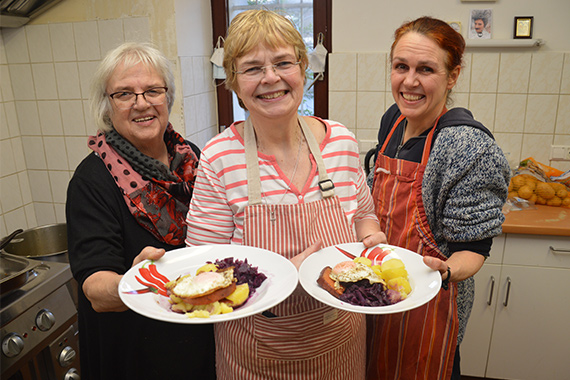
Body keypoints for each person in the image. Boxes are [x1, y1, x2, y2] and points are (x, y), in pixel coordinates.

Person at [185, 9, 385, 379]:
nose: (271, 78)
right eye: (252, 68)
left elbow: (362, 216)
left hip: (339, 339)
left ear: (304, 68)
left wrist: (373, 241)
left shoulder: (340, 140)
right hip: (256, 351)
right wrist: (278, 278)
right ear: (233, 81)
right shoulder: (218, 157)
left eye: (282, 63)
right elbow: (205, 267)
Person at [366, 17, 510, 380]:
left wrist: (446, 270)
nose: (409, 82)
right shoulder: (393, 122)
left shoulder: (467, 147)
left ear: (453, 75)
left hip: (429, 304)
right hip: (379, 292)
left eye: (425, 69)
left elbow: (474, 251)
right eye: (401, 67)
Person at [66, 42, 216, 380]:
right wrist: (133, 282)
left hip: (196, 336)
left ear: (168, 97)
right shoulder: (92, 180)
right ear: (107, 105)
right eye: (124, 94)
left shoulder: (190, 156)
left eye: (152, 91)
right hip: (136, 352)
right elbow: (95, 287)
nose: (141, 103)